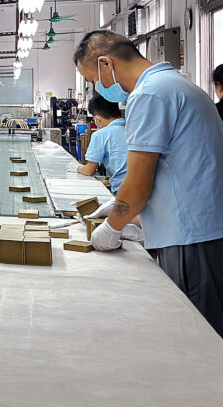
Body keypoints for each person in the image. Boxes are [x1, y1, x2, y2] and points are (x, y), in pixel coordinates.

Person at [74, 30, 223, 335]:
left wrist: (112, 227)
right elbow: (179, 170)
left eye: (93, 80)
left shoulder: (149, 95)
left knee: (198, 334)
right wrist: (131, 215)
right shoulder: (175, 84)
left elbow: (139, 184)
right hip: (204, 230)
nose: (97, 88)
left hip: (190, 239)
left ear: (106, 63)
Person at [76, 94, 128, 194]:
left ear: (97, 118)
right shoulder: (134, 129)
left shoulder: (101, 134)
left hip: (122, 191)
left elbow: (89, 170)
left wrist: (78, 168)